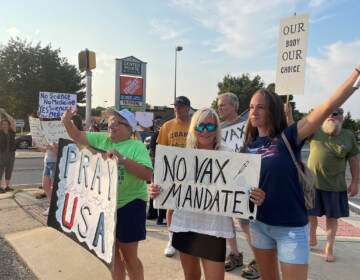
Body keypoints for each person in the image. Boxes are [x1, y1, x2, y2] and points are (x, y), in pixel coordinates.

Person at [242, 65, 360, 280]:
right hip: (259, 225)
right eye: (251, 107)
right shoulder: (247, 145)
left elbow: (328, 106)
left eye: (260, 107)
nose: (253, 112)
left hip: (290, 228)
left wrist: (357, 72)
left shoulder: (289, 135)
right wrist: (253, 195)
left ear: (273, 111)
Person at [149, 108, 265, 280]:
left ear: (217, 129)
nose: (204, 131)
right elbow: (169, 188)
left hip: (214, 229)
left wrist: (255, 195)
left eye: (210, 127)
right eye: (200, 126)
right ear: (193, 128)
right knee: (192, 276)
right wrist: (155, 191)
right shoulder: (180, 155)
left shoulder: (228, 155)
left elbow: (242, 188)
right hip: (185, 225)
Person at [62, 107, 152, 280]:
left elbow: (147, 175)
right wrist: (66, 122)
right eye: (111, 122)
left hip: (130, 204)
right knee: (112, 256)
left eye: (118, 123)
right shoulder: (102, 139)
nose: (112, 125)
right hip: (105, 205)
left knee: (129, 258)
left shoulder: (136, 146)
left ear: (129, 129)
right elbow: (77, 136)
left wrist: (123, 159)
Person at [307, 107, 359, 262]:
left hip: (335, 186)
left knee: (332, 217)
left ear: (341, 117)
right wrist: (288, 115)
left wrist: (355, 182)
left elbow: (354, 161)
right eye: (328, 113)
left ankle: (329, 248)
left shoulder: (348, 135)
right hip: (313, 184)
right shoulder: (315, 131)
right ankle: (311, 237)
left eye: (335, 114)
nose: (331, 116)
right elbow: (295, 131)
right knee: (310, 214)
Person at [217, 92, 258, 278]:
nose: (219, 108)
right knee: (226, 219)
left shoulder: (247, 125)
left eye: (222, 105)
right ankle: (234, 254)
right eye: (218, 105)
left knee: (245, 222)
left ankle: (259, 259)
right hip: (225, 179)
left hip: (244, 179)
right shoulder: (220, 128)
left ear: (234, 106)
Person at [156, 96, 192, 257]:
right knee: (172, 206)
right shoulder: (167, 126)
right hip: (173, 172)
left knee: (192, 206)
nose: (177, 109)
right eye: (175, 106)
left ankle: (189, 238)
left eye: (180, 106)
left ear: (188, 108)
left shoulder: (196, 125)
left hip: (193, 173)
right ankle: (172, 239)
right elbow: (161, 150)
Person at [34, 114, 84, 216]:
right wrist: (38, 146)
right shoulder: (53, 132)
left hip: (57, 163)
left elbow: (67, 153)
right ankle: (53, 206)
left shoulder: (70, 136)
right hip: (48, 162)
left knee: (54, 187)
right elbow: (45, 149)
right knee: (45, 186)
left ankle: (57, 207)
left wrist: (56, 150)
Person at [0, 108, 16, 193]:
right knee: (0, 171)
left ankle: (7, 187)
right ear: (1, 125)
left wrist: (5, 113)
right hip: (1, 154)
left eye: (6, 124)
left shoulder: (12, 132)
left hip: (11, 154)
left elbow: (12, 121)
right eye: (3, 124)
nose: (4, 125)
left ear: (8, 125)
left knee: (9, 170)